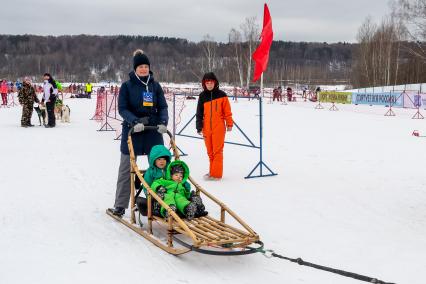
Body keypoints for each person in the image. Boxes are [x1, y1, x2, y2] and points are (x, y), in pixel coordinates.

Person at [108, 49, 168, 217]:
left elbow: (162, 106)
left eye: (146, 66)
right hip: (133, 131)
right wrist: (134, 121)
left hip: (153, 131)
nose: (143, 69)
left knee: (159, 167)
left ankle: (160, 201)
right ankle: (120, 205)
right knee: (126, 169)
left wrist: (163, 122)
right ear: (135, 69)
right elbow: (122, 108)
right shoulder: (127, 86)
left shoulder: (155, 86)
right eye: (140, 66)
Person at [196, 72, 233, 180]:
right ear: (204, 84)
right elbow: (199, 113)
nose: (209, 85)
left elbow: (227, 111)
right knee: (210, 152)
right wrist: (199, 126)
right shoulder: (202, 96)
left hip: (219, 127)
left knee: (217, 151)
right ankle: (212, 171)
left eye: (211, 82)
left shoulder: (222, 95)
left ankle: (216, 175)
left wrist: (229, 123)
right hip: (206, 127)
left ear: (215, 82)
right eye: (207, 83)